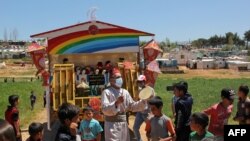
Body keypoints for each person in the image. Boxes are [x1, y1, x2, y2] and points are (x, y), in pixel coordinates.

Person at [101, 67, 147, 141]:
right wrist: (116, 103)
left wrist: (144, 100)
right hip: (112, 125)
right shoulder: (107, 92)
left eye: (120, 77)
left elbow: (132, 106)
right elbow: (104, 109)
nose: (120, 79)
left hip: (124, 124)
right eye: (118, 77)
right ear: (111, 80)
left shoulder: (125, 92)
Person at [133, 75, 155, 141]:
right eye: (138, 82)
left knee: (150, 129)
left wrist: (152, 112)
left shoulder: (151, 90)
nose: (139, 83)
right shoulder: (139, 91)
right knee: (135, 128)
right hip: (140, 112)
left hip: (148, 113)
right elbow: (136, 100)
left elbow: (153, 102)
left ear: (144, 81)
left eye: (141, 81)